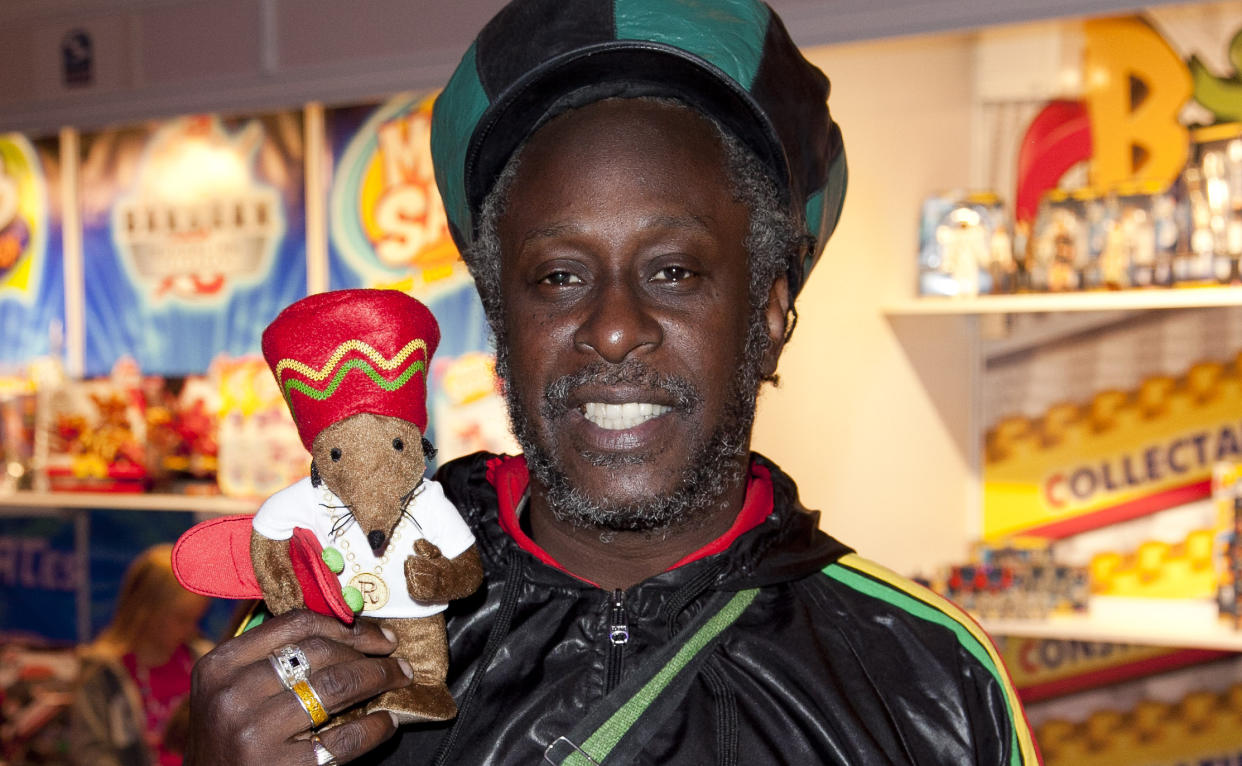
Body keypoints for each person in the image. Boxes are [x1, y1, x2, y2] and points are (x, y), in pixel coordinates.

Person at [185, 1, 1042, 764]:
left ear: (770, 314)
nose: (614, 327)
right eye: (558, 276)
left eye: (674, 271)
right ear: (500, 317)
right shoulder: (337, 633)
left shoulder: (927, 684)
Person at [70, 543, 211, 766]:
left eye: (196, 619)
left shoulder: (206, 662)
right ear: (146, 612)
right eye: (182, 619)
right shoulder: (103, 673)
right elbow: (90, 752)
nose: (190, 629)